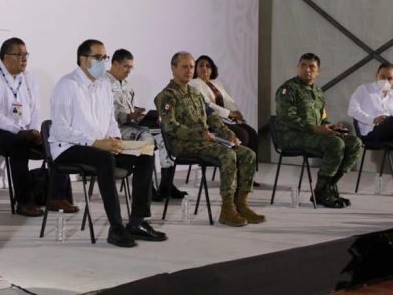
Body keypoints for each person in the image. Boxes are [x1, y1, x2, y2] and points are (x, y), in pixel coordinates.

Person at [48, 39, 167, 247]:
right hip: (68, 147)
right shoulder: (67, 85)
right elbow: (59, 129)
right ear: (83, 60)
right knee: (104, 160)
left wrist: (116, 139)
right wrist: (95, 143)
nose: (103, 62)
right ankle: (115, 227)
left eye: (105, 57)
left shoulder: (103, 84)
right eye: (99, 57)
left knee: (145, 153)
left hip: (99, 144)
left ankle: (137, 222)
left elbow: (110, 120)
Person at [155, 52, 264, 227]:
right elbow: (170, 126)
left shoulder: (195, 93)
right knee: (227, 155)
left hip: (205, 141)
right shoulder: (166, 96)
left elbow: (212, 117)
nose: (189, 71)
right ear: (173, 68)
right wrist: (199, 135)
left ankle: (241, 205)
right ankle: (227, 209)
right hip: (183, 145)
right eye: (184, 67)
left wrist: (229, 134)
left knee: (248, 154)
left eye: (191, 67)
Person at [0, 37, 77, 216]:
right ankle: (24, 202)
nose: (24, 59)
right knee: (19, 145)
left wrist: (34, 130)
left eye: (26, 55)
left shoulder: (28, 78)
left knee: (57, 141)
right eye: (20, 55)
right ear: (6, 57)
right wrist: (20, 132)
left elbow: (35, 109)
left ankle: (56, 197)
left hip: (24, 130)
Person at [274, 53, 363, 208]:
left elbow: (322, 118)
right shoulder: (287, 89)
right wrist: (315, 129)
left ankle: (327, 186)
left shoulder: (318, 92)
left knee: (355, 142)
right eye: (303, 65)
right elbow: (287, 118)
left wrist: (332, 127)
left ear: (318, 71)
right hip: (291, 136)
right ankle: (321, 192)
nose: (307, 70)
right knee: (335, 144)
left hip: (313, 134)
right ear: (298, 67)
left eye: (311, 67)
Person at [104, 48, 187, 201]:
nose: (129, 71)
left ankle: (166, 185)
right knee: (146, 138)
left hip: (131, 125)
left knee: (165, 137)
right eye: (126, 66)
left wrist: (142, 115)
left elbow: (131, 108)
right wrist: (129, 116)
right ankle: (146, 189)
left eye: (131, 67)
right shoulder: (103, 84)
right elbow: (105, 114)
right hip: (115, 129)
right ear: (115, 64)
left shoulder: (127, 85)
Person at [189, 54, 260, 159]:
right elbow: (207, 104)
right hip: (212, 121)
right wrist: (230, 113)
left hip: (227, 119)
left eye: (208, 66)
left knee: (252, 134)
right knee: (242, 135)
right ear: (195, 69)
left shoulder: (217, 83)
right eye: (201, 65)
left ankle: (250, 170)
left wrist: (236, 112)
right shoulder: (194, 83)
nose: (205, 68)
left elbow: (228, 101)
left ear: (212, 69)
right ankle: (236, 167)